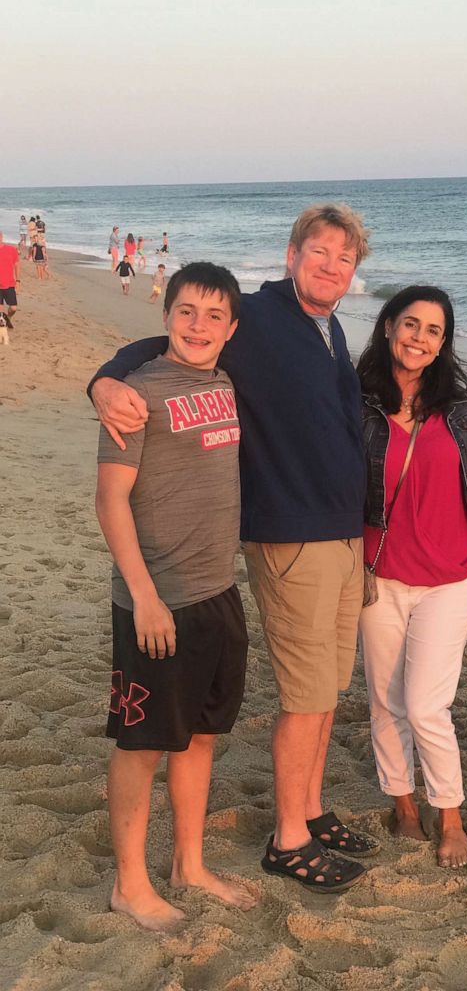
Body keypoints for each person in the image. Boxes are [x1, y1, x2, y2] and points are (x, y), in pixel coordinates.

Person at [89, 204, 376, 893]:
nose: (331, 264)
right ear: (290, 254)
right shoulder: (258, 316)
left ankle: (303, 809)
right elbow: (154, 349)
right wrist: (102, 380)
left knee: (319, 690)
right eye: (319, 251)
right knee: (296, 696)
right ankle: (286, 836)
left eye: (345, 257)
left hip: (312, 545)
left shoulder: (325, 330)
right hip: (277, 539)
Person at [96, 261, 255, 930]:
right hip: (155, 603)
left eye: (214, 315)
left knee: (198, 737)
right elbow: (109, 503)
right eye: (187, 311)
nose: (198, 325)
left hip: (218, 592)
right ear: (167, 315)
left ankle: (188, 863)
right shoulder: (136, 393)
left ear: (231, 327)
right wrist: (145, 595)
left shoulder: (224, 383)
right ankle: (129, 884)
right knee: (142, 745)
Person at [357, 285, 467, 869]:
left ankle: (449, 815)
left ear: (443, 344)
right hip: (379, 574)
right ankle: (404, 806)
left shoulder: (456, 411)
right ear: (388, 327)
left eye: (433, 331)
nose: (420, 338)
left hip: (452, 575)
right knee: (386, 702)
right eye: (410, 325)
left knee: (429, 705)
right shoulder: (357, 402)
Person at [0, 232, 20, 329]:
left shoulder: (11, 250)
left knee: (13, 308)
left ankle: (8, 318)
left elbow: (16, 265)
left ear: (2, 237)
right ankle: (2, 331)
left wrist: (18, 281)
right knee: (0, 311)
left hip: (9, 284)